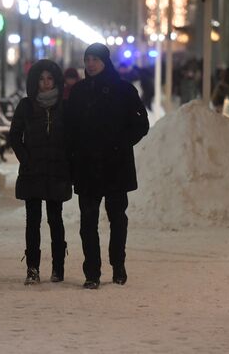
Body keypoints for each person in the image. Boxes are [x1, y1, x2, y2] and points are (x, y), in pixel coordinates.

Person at [66, 43, 149, 289]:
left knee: (117, 219)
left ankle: (118, 265)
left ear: (105, 61)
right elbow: (70, 128)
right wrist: (73, 155)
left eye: (95, 59)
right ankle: (92, 272)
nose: (90, 64)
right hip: (87, 165)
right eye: (87, 59)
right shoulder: (79, 91)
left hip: (115, 164)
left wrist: (122, 143)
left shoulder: (123, 90)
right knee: (88, 222)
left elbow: (141, 123)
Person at [9, 59, 72, 285]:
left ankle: (58, 268)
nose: (46, 83)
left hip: (57, 170)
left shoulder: (64, 106)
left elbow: (71, 138)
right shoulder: (26, 105)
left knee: (56, 220)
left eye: (50, 78)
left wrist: (67, 162)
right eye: (41, 79)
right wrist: (26, 159)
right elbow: (14, 135)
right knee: (32, 221)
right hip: (32, 172)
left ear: (56, 81)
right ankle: (32, 268)